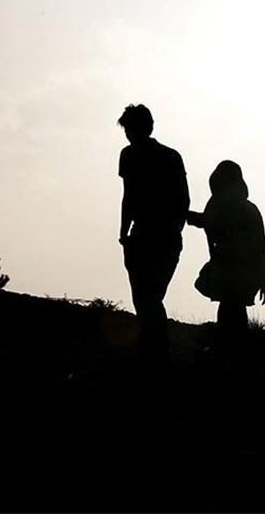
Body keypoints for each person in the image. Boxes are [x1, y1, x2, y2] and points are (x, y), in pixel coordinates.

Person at [117, 104, 189, 369]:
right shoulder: (167, 156)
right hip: (152, 236)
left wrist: (124, 232)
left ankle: (154, 357)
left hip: (154, 236)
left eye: (129, 128)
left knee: (147, 298)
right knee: (148, 298)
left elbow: (129, 196)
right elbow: (182, 199)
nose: (128, 134)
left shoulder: (135, 155)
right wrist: (124, 232)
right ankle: (154, 356)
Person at [187, 160, 265, 359]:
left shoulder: (234, 208)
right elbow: (263, 246)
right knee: (233, 308)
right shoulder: (246, 208)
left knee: (230, 308)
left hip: (235, 269)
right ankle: (233, 351)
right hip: (241, 270)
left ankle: (228, 352)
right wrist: (264, 279)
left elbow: (261, 245)